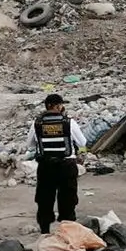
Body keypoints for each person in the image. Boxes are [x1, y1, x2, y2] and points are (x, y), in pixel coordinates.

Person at [26, 94, 88, 234]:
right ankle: (67, 231)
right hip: (67, 166)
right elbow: (82, 142)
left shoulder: (37, 123)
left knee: (44, 198)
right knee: (68, 198)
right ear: (59, 106)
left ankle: (45, 231)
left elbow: (29, 144)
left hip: (45, 166)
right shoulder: (68, 122)